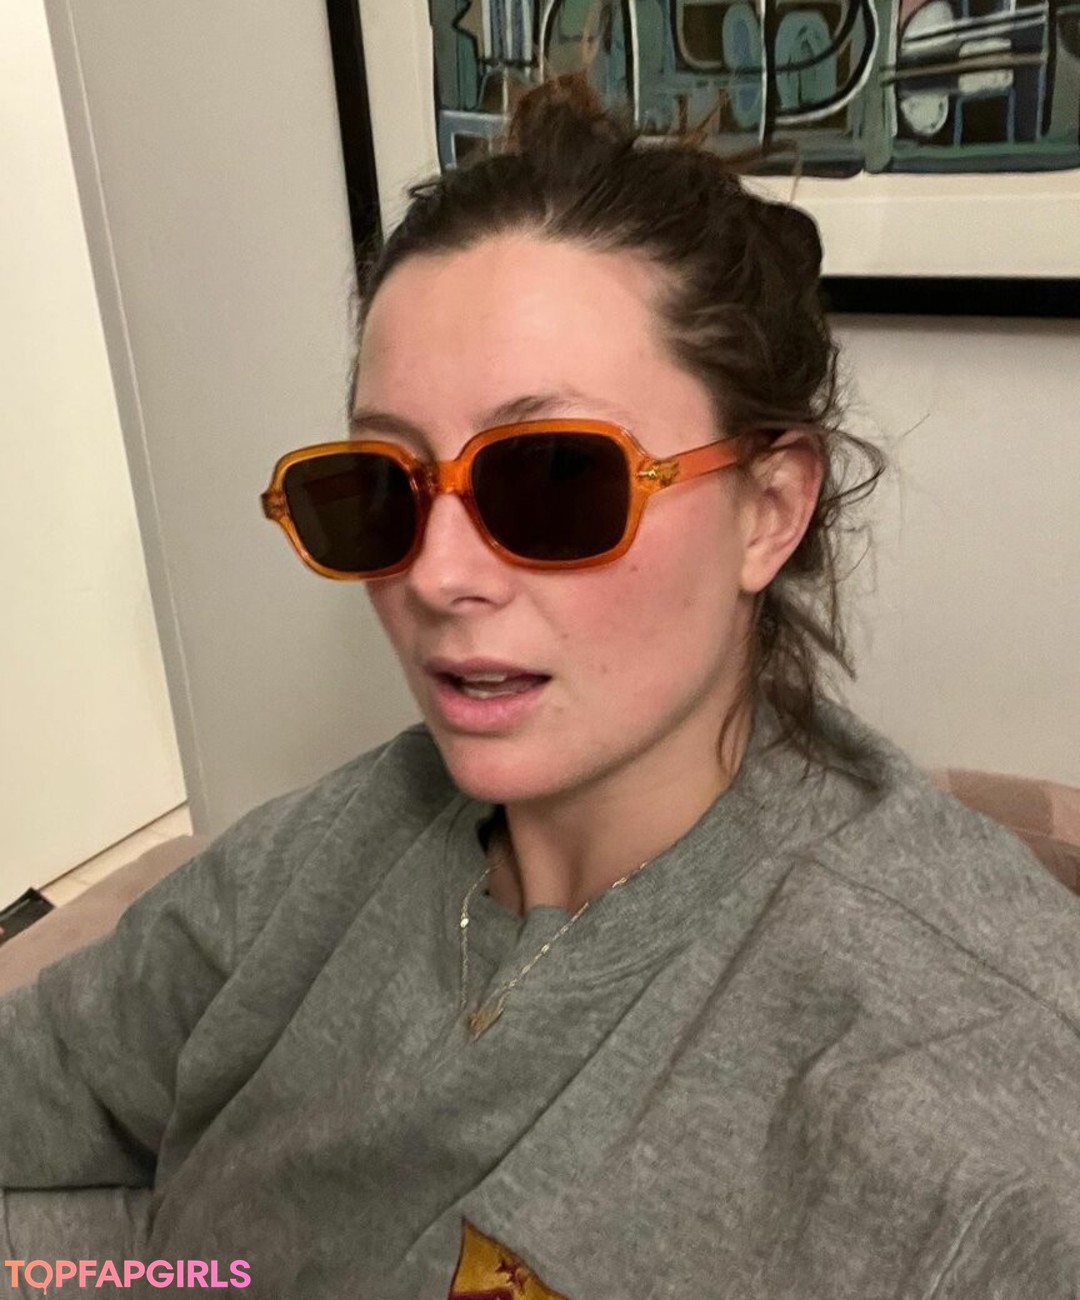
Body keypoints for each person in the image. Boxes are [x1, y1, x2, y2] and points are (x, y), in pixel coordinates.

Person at [2, 75, 1079, 1300]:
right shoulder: (322, 853)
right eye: (385, 487)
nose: (437, 574)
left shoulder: (957, 1080)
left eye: (555, 478)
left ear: (769, 510)